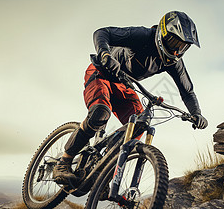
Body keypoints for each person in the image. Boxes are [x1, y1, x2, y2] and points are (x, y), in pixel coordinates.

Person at [53, 11, 208, 185]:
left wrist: (197, 113)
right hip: (101, 73)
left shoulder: (173, 62)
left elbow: (187, 91)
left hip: (124, 84)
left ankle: (103, 173)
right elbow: (102, 33)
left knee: (139, 125)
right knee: (100, 114)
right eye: (174, 43)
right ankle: (63, 162)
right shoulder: (143, 36)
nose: (176, 50)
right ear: (163, 33)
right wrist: (105, 54)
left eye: (183, 47)